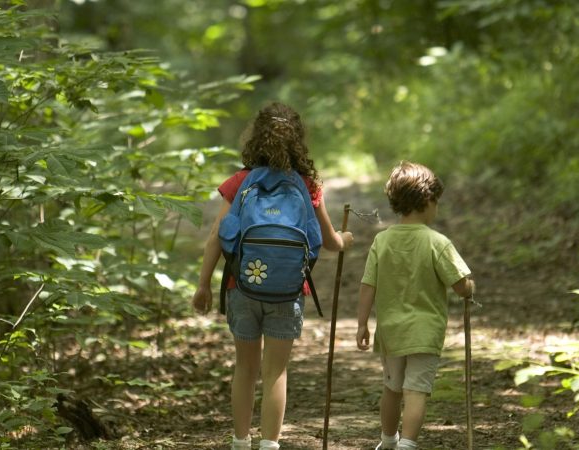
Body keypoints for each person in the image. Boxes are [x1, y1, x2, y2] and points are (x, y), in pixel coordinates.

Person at [191, 102, 354, 450]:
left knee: (245, 368)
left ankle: (239, 441)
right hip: (288, 291)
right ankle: (269, 444)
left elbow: (217, 237)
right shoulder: (308, 184)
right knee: (276, 371)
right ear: (298, 140)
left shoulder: (239, 181)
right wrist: (346, 240)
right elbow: (329, 241)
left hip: (241, 286)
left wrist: (204, 285)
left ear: (255, 138)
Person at [356, 161, 475, 450]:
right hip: (424, 333)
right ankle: (407, 445)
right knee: (416, 390)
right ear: (427, 200)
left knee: (392, 388)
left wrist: (362, 323)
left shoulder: (381, 240)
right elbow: (461, 286)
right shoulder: (438, 242)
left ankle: (387, 440)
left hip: (391, 332)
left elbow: (367, 284)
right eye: (437, 202)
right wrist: (470, 288)